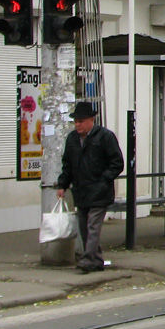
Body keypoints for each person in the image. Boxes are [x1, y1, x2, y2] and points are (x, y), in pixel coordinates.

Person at [55, 101, 124, 273]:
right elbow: (67, 164)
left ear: (92, 120)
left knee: (93, 227)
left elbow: (117, 163)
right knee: (84, 228)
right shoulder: (72, 139)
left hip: (99, 191)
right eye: (76, 121)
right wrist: (63, 184)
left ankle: (86, 260)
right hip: (81, 190)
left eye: (81, 121)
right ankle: (96, 260)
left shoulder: (104, 136)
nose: (78, 124)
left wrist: (104, 180)